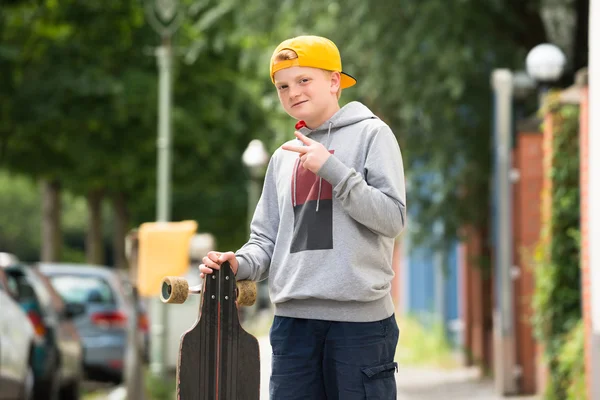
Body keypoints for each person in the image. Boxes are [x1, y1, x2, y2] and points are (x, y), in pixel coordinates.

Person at [199, 35, 406, 399]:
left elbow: (392, 219)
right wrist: (238, 263)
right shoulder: (283, 157)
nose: (292, 92)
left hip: (359, 326)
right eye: (282, 86)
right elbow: (267, 241)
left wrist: (333, 169)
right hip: (293, 326)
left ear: (334, 81)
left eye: (303, 80)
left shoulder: (373, 134)